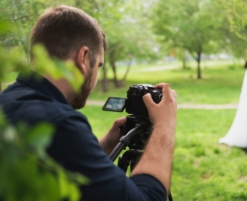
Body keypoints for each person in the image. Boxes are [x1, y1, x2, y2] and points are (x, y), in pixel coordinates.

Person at [0, 6, 177, 201]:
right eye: (99, 65)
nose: (96, 74)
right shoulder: (59, 123)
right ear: (83, 58)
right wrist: (164, 126)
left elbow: (58, 165)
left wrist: (101, 147)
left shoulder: (9, 100)